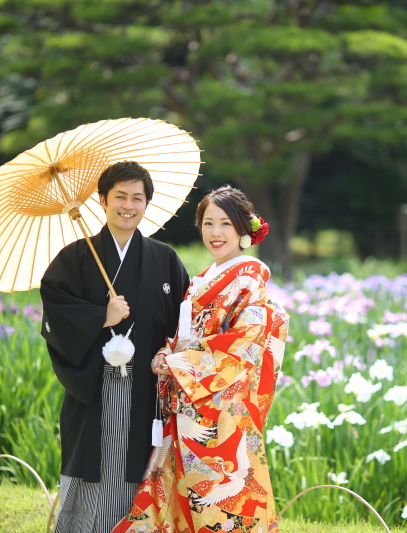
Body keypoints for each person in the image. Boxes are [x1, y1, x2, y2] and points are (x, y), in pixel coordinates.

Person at [113, 186, 289, 533]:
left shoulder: (249, 279)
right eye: (208, 223)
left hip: (221, 409)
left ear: (243, 230)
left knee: (223, 499)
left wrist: (179, 364)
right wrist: (167, 353)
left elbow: (245, 342)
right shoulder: (203, 280)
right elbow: (185, 336)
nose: (215, 233)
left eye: (225, 224)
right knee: (180, 491)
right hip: (190, 400)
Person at [40, 161, 190, 533]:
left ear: (146, 203)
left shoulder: (165, 259)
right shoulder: (74, 259)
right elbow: (55, 315)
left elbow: (184, 327)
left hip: (146, 392)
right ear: (102, 200)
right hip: (94, 388)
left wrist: (167, 357)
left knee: (142, 472)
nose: (128, 205)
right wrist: (100, 317)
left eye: (137, 198)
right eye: (119, 196)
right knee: (95, 470)